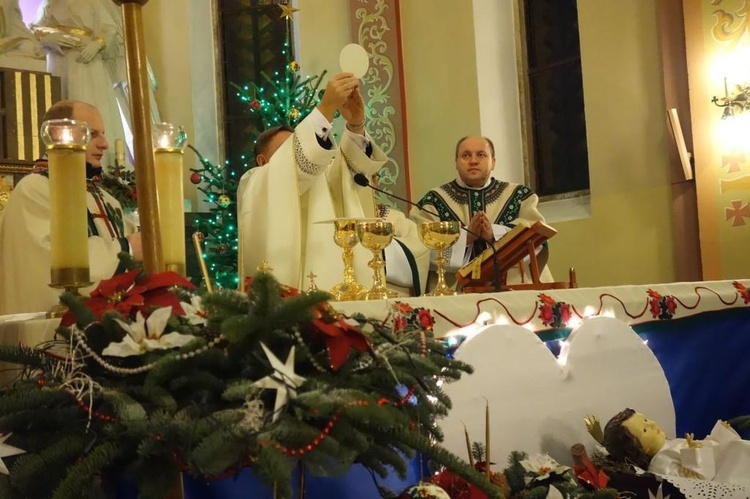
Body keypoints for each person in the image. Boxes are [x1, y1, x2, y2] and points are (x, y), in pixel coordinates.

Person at [238, 72, 429, 294]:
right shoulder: (255, 181)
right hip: (294, 293)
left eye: (295, 146)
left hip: (341, 285)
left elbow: (348, 178)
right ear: (262, 160)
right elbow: (295, 166)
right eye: (286, 151)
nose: (294, 154)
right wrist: (325, 109)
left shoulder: (319, 174)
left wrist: (356, 126)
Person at [0, 100, 141, 315]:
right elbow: (48, 258)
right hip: (52, 330)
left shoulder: (106, 199)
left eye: (103, 133)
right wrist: (127, 248)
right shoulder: (35, 189)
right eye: (92, 134)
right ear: (59, 134)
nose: (104, 144)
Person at [410, 135, 551, 286]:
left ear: (493, 162)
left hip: (513, 287)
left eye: (481, 155)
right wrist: (465, 238)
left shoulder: (519, 196)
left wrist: (494, 234)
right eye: (466, 155)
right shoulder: (433, 201)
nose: (473, 161)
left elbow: (536, 238)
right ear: (456, 163)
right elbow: (419, 250)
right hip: (453, 292)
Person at [31, 0, 127, 166]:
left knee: (91, 103)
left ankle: (99, 163)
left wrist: (97, 44)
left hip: (88, 62)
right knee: (61, 107)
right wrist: (48, 37)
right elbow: (35, 29)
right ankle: (62, 160)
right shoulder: (51, 3)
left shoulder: (94, 2)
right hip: (60, 61)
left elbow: (109, 28)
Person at [602, 408, 750, 483]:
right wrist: (695, 453)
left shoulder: (670, 444)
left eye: (646, 420)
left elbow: (708, 448)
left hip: (724, 459)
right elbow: (694, 482)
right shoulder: (660, 463)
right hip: (723, 474)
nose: (652, 424)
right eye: (645, 429)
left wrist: (719, 435)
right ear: (637, 447)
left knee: (738, 448)